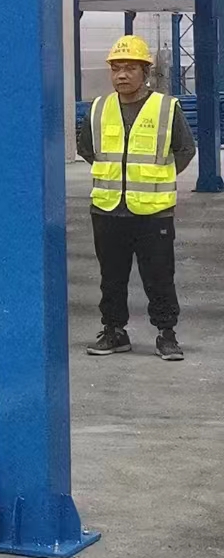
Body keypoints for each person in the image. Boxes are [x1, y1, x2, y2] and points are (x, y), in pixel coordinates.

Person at [78, 34, 194, 361]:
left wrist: (156, 177)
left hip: (153, 212)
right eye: (116, 68)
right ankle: (114, 331)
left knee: (159, 276)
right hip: (107, 209)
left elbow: (185, 150)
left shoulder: (166, 108)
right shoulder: (98, 108)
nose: (122, 75)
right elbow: (87, 149)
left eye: (130, 68)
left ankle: (166, 334)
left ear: (146, 72)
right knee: (111, 278)